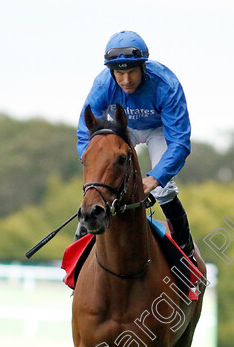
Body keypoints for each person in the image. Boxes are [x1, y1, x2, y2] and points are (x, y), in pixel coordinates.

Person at [76, 30, 195, 258]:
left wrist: (155, 178)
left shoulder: (166, 85)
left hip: (158, 129)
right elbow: (85, 132)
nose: (126, 80)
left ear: (143, 67)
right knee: (97, 183)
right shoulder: (102, 84)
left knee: (164, 190)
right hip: (122, 127)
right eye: (119, 74)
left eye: (131, 72)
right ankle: (79, 249)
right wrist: (90, 159)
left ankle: (186, 258)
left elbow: (179, 142)